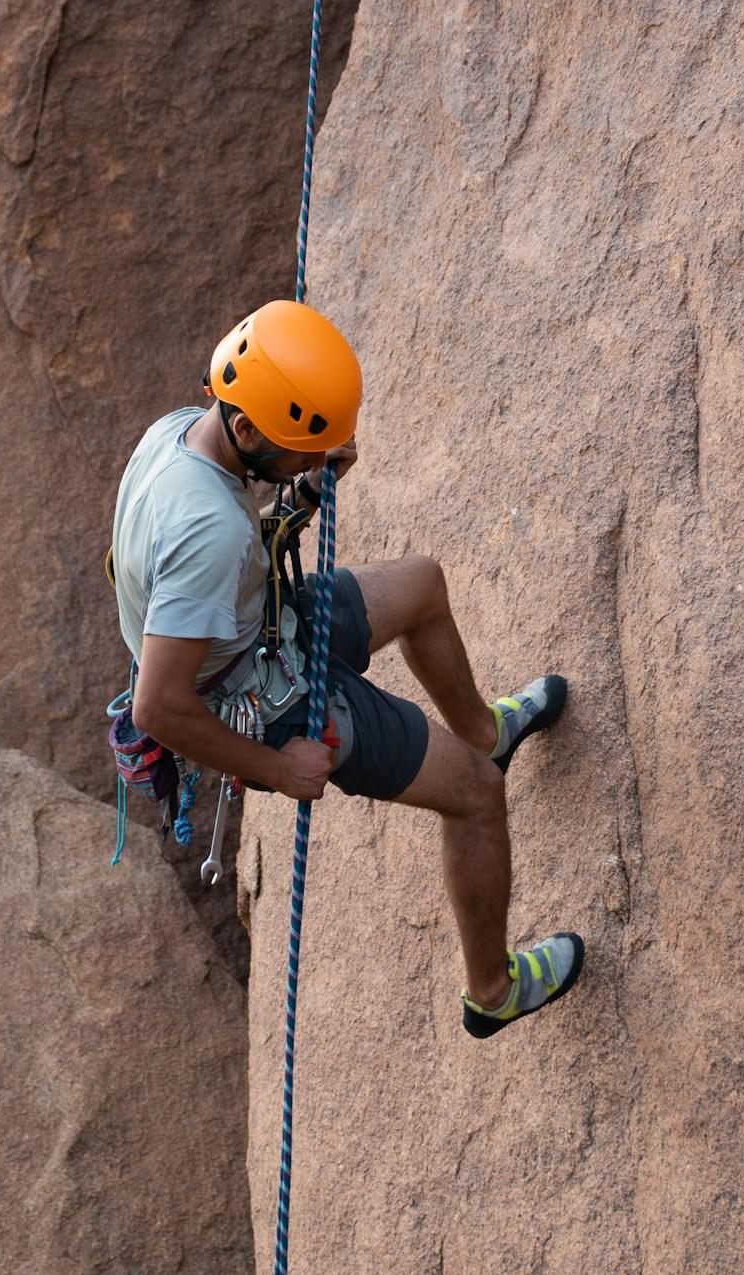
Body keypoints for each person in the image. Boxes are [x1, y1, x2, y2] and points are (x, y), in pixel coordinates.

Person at [111, 300, 582, 1038]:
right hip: (270, 700)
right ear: (246, 430)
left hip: (261, 623)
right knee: (479, 797)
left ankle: (484, 731)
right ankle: (492, 991)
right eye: (304, 446)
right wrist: (277, 764)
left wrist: (297, 492)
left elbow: (221, 558)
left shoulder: (179, 433)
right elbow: (158, 707)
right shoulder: (205, 527)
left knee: (423, 584)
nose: (321, 455)